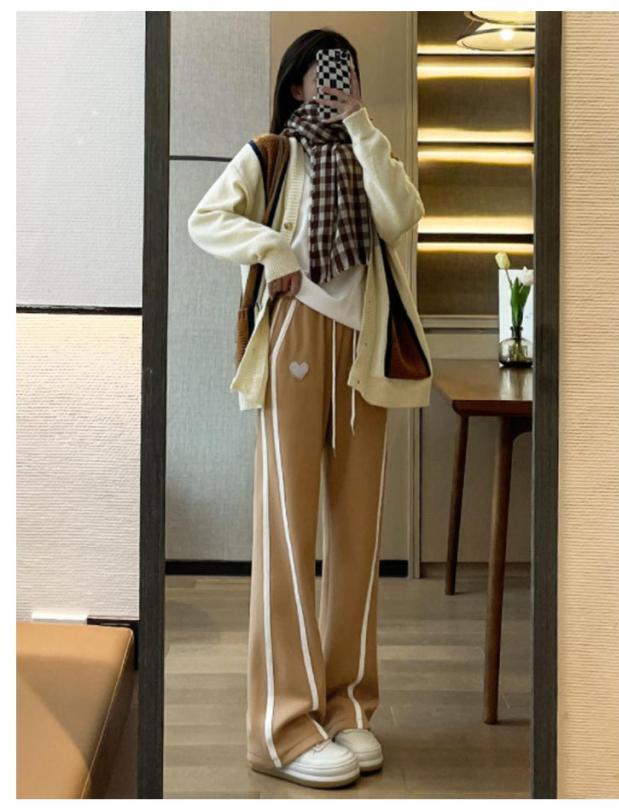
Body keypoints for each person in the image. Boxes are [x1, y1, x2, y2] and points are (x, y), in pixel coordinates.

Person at [187, 28, 432, 790]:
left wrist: (361, 123)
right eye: (326, 72)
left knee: (358, 540)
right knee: (289, 536)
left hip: (364, 355)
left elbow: (401, 216)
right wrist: (276, 250)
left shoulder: (368, 148)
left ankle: (346, 705)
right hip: (295, 338)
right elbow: (207, 218)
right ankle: (282, 726)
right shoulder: (271, 154)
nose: (337, 81)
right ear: (297, 83)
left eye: (347, 71)